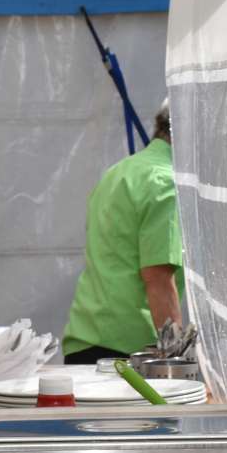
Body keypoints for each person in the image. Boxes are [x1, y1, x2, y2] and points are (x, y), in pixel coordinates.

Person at [61, 99, 184, 364]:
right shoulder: (165, 183)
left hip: (86, 339)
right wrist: (176, 360)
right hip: (128, 351)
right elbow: (158, 278)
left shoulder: (119, 172)